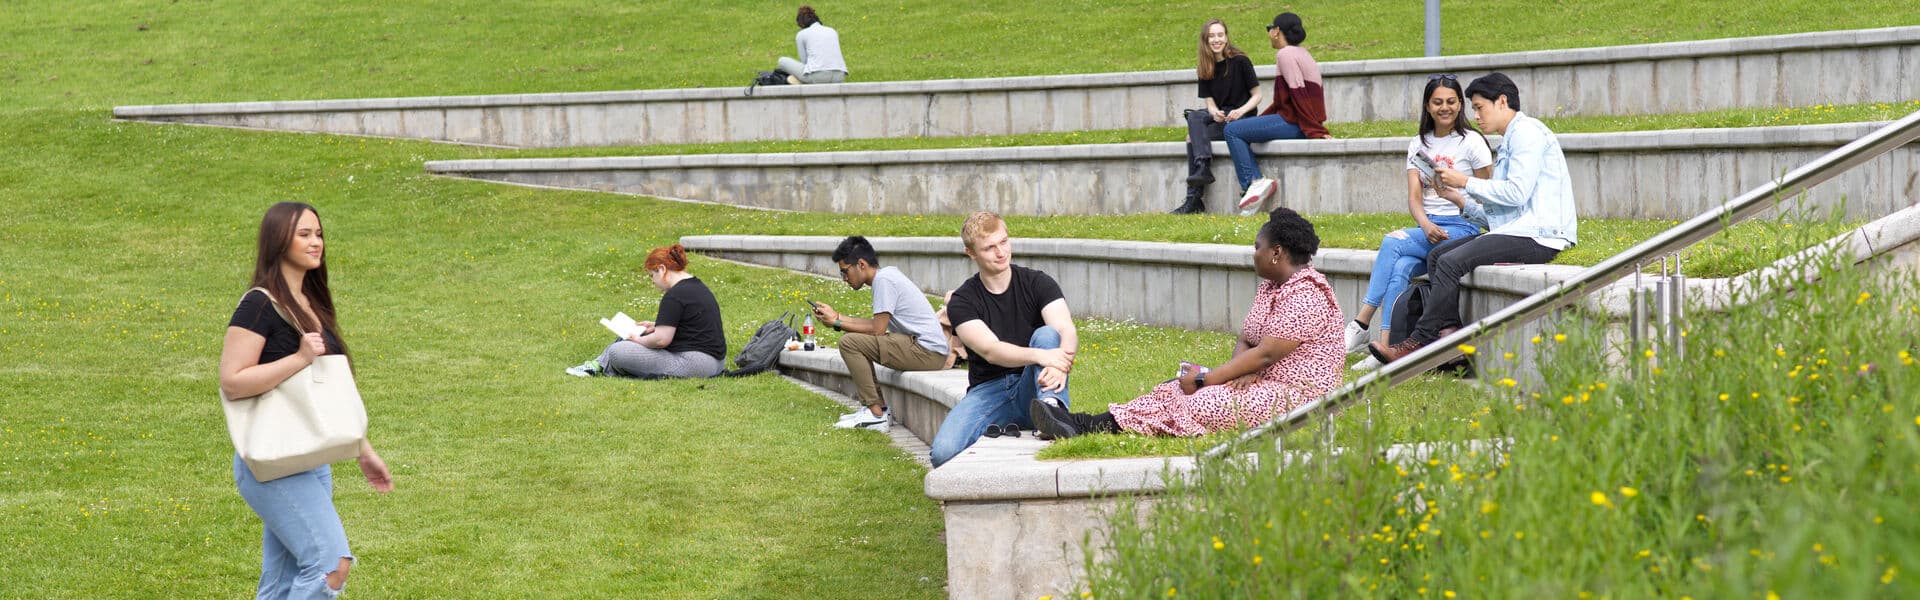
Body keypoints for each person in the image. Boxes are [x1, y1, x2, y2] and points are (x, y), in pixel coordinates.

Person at [1031, 207, 1344, 438]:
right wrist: (1240, 373)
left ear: (1276, 253)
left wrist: (1208, 379)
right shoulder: (1271, 287)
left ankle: (1083, 425)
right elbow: (1247, 339)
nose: (1253, 254)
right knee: (1174, 387)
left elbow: (1266, 353)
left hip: (1299, 397)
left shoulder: (1307, 294)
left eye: (1257, 248)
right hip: (1264, 383)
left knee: (1200, 400)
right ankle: (1082, 424)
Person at [219, 202, 394, 598]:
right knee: (330, 565)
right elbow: (232, 381)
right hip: (271, 459)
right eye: (304, 234)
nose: (316, 242)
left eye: (318, 234)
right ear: (278, 241)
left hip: (312, 457)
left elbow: (329, 392)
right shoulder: (259, 304)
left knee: (282, 583)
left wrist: (362, 449)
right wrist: (299, 358)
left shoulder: (312, 305)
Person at [1371, 72, 1578, 365]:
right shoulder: (1511, 139)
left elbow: (1516, 193)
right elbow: (1502, 214)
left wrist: (1464, 181)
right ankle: (1451, 335)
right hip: (1518, 230)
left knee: (1451, 261)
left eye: (1480, 107)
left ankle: (1417, 342)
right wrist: (1457, 198)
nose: (1476, 116)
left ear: (1502, 101)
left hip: (1542, 236)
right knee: (1439, 256)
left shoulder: (1528, 133)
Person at [1345, 74, 1494, 372]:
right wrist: (1425, 224)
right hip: (1430, 227)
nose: (1445, 107)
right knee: (1399, 267)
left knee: (1392, 241)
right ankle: (1385, 349)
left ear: (1460, 104)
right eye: (1437, 102)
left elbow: (1490, 195)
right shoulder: (1418, 144)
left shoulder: (1472, 142)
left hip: (1462, 226)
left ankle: (1361, 323)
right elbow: (1415, 198)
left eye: (1451, 101)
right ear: (1427, 106)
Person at [929, 212, 1079, 467]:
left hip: (1035, 381)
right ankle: (1023, 418)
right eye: (989, 247)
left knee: (1047, 334)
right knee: (942, 453)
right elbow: (991, 350)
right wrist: (1042, 356)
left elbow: (1067, 330)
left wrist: (1060, 362)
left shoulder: (1037, 282)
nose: (1001, 252)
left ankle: (1053, 411)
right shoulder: (963, 301)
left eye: (1004, 242)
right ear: (971, 253)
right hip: (989, 390)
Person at [810, 236, 952, 433]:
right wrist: (837, 317)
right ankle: (878, 409)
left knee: (849, 343)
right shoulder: (886, 276)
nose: (844, 278)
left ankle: (875, 414)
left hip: (927, 352)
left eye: (845, 271)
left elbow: (877, 330)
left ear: (860, 264)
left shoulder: (884, 280)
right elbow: (876, 326)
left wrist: (837, 322)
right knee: (853, 341)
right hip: (926, 350)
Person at [566, 244, 728, 378]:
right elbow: (693, 324)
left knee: (618, 352)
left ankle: (596, 366)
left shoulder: (674, 295)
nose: (652, 282)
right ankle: (596, 365)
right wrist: (656, 325)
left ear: (662, 269)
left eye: (652, 275)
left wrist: (638, 340)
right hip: (716, 362)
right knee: (637, 334)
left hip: (695, 365)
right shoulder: (697, 286)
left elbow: (660, 340)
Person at [1221, 12, 1331, 208]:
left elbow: (1299, 94)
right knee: (1240, 128)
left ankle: (1254, 183)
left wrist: (1315, 130)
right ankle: (1253, 184)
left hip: (1295, 123)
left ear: (1276, 31)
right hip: (1298, 121)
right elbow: (1289, 100)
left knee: (1232, 130)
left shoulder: (1285, 54)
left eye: (1269, 29)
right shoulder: (1302, 53)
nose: (1269, 33)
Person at [1171, 18, 1262, 215]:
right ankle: (1200, 174)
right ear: (1205, 40)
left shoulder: (1240, 61)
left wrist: (1241, 110)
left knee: (1191, 137)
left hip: (1241, 118)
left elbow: (1257, 95)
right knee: (1195, 117)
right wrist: (1215, 113)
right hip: (1222, 117)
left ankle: (1194, 195)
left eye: (1220, 35)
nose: (1216, 40)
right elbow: (1210, 103)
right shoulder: (1205, 66)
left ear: (1226, 37)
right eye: (1211, 36)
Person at [774, 6, 847, 85]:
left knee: (781, 61)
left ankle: (800, 81)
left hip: (818, 76)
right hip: (839, 76)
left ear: (801, 24)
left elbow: (805, 62)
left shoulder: (802, 34)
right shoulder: (832, 31)